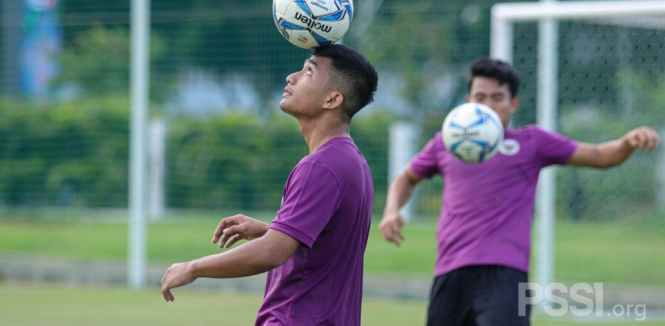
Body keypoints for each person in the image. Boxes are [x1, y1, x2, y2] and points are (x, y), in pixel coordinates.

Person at [378, 57, 660, 326]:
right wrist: (392, 211)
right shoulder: (445, 143)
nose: (487, 105)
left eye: (497, 98)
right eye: (480, 97)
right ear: (467, 102)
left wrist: (627, 142)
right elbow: (406, 177)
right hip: (451, 270)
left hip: (506, 272)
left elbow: (598, 155)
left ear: (513, 104)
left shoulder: (532, 142)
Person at [161, 44, 379, 326]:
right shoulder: (353, 162)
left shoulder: (319, 167)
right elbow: (327, 245)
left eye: (308, 72)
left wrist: (193, 267)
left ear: (332, 99)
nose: (292, 76)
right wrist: (273, 230)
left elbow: (271, 253)